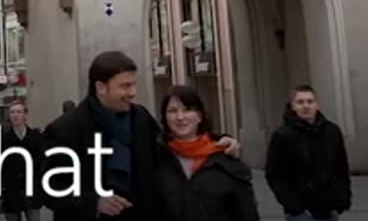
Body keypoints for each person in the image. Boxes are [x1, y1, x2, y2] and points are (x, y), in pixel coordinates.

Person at [43, 50, 239, 221]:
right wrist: (94, 203)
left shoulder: (140, 118)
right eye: (125, 86)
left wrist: (217, 142)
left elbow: (172, 143)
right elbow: (48, 189)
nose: (133, 92)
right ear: (101, 88)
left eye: (134, 85)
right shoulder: (64, 130)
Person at [154, 86, 258, 221]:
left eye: (188, 109)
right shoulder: (156, 158)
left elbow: (246, 211)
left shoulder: (225, 158)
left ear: (200, 116)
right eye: (172, 111)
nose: (180, 117)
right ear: (165, 118)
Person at [265, 85, 351, 221]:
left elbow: (341, 167)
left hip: (329, 208)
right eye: (300, 102)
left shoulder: (331, 131)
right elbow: (274, 174)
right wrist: (293, 205)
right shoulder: (282, 136)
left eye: (310, 101)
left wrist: (343, 197)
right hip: (300, 212)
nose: (306, 106)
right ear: (292, 106)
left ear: (317, 105)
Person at [0, 102, 45, 221]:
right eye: (12, 112)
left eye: (19, 112)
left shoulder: (36, 137)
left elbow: (42, 163)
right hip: (11, 191)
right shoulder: (3, 140)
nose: (15, 115)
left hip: (31, 190)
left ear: (25, 115)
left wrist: (40, 184)